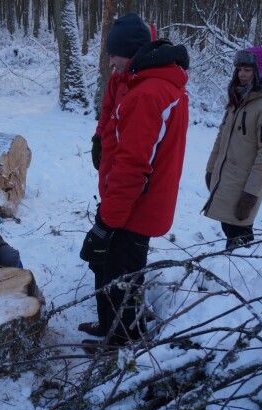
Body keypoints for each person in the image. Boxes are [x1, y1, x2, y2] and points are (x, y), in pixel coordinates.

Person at [78, 13, 190, 348]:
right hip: (128, 201)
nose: (109, 60)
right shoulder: (143, 83)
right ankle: (111, 326)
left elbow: (132, 167)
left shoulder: (147, 94)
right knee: (110, 266)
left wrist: (105, 223)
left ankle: (120, 343)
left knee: (120, 272)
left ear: (128, 52)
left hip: (134, 207)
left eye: (112, 54)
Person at [203, 46, 262, 250]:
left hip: (244, 183)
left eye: (248, 69)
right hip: (226, 177)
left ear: (260, 70)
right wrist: (211, 169)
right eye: (239, 69)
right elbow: (221, 137)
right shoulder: (238, 99)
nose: (242, 74)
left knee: (240, 234)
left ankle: (241, 272)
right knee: (228, 229)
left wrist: (251, 193)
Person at [90, 21, 157, 170]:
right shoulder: (119, 76)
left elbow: (136, 157)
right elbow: (108, 108)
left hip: (127, 176)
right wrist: (99, 137)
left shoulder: (149, 89)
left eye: (114, 55)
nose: (110, 64)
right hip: (113, 165)